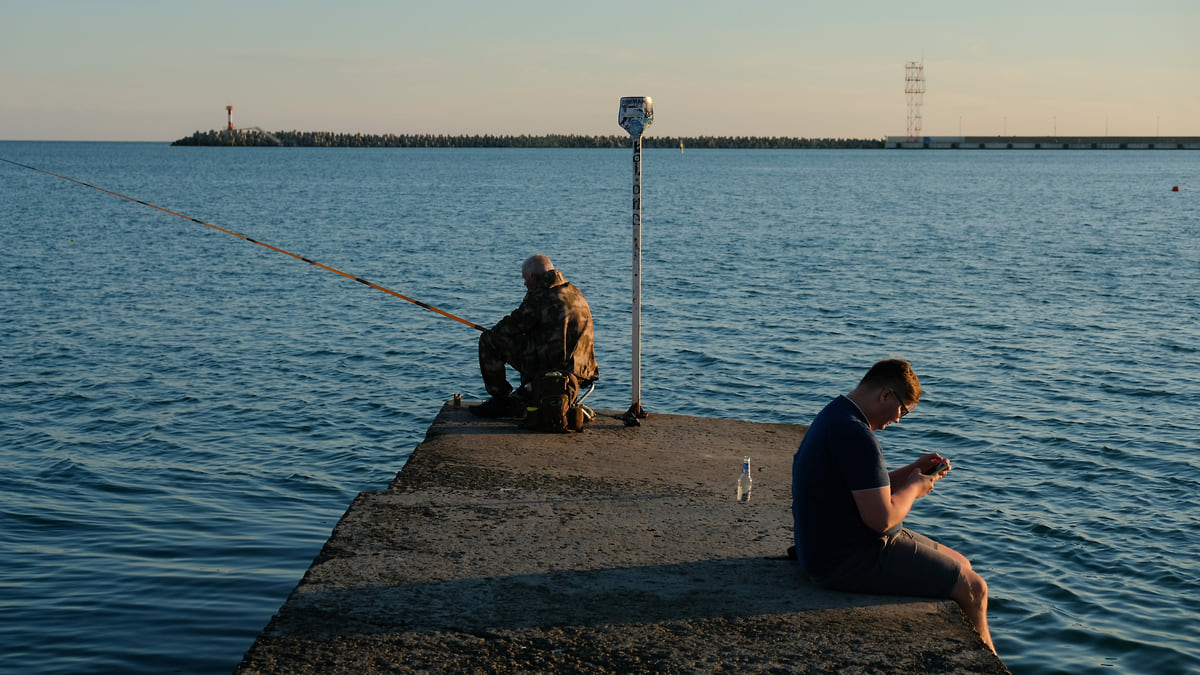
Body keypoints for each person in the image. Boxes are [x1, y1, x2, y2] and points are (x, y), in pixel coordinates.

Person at [791, 358, 995, 654]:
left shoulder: (836, 415)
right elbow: (881, 519)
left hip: (830, 547)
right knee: (975, 589)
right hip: (846, 560)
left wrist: (911, 471)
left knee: (962, 564)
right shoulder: (857, 435)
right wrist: (915, 487)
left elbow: (860, 485)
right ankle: (986, 662)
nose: (899, 419)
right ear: (886, 394)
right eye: (903, 410)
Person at [470, 254, 598, 417]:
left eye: (525, 279)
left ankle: (500, 401)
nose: (525, 284)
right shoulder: (574, 292)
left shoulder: (541, 294)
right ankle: (526, 393)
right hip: (582, 371)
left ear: (533, 276)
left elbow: (514, 325)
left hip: (555, 370)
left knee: (489, 340)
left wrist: (494, 331)